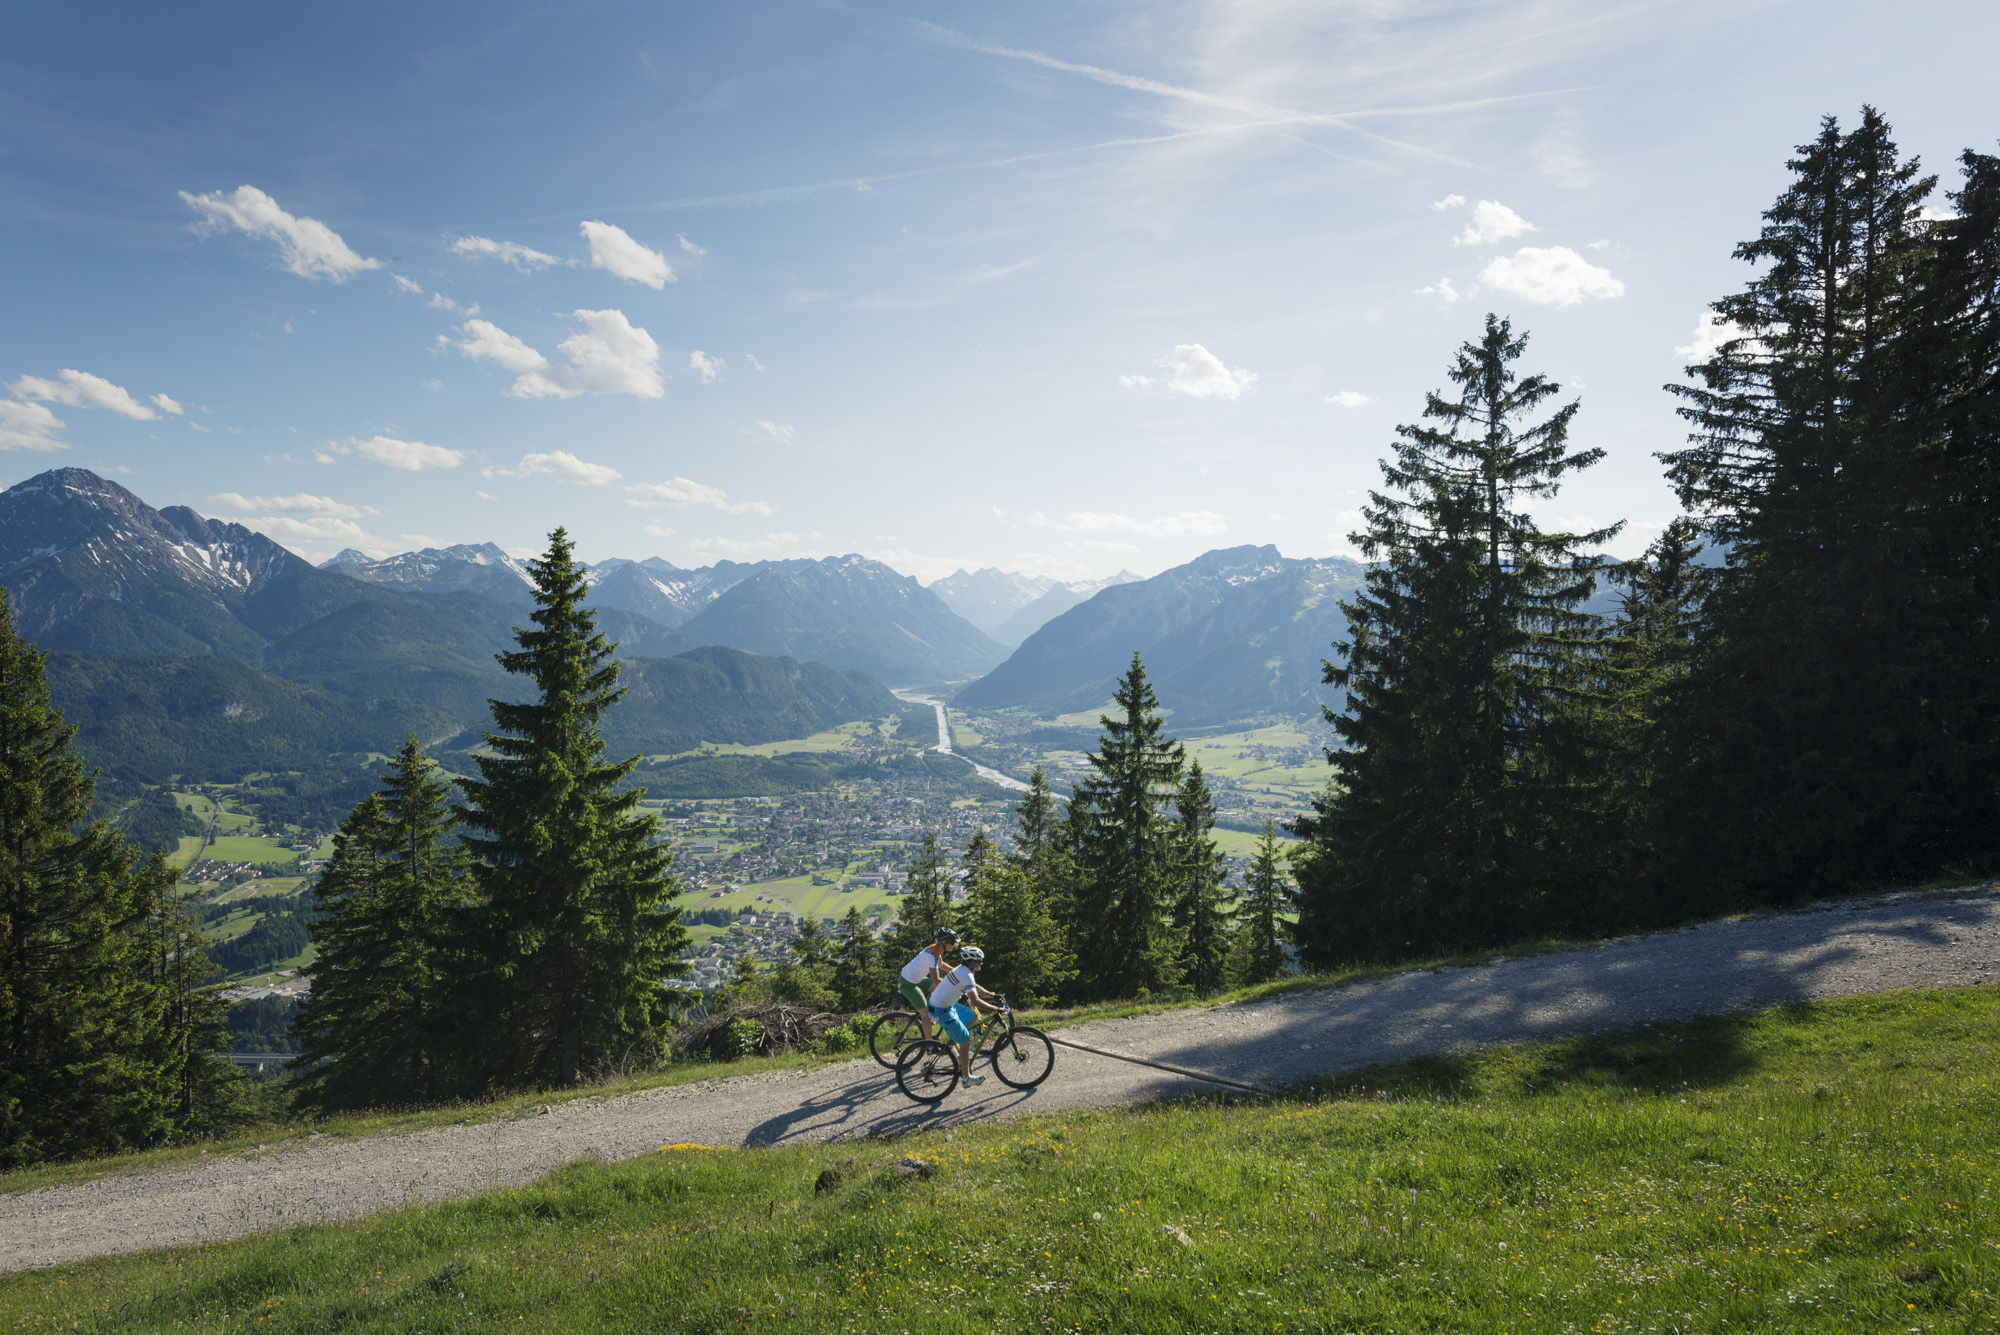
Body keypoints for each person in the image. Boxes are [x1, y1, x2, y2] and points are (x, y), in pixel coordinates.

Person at [927, 945, 1003, 1085]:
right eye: (979, 960)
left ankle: (954, 1041)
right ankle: (966, 1077)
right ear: (971, 961)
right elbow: (975, 1000)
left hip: (946, 1004)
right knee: (965, 1038)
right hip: (940, 1009)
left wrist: (989, 994)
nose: (981, 963)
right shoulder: (965, 973)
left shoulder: (964, 970)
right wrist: (995, 1008)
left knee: (973, 1016)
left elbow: (973, 985)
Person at [896, 926, 957, 1041]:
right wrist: (953, 984)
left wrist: (955, 971)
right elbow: (936, 979)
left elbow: (942, 965)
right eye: (952, 942)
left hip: (914, 979)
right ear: (944, 942)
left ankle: (928, 1013)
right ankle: (930, 1045)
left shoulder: (936, 948)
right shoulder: (932, 955)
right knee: (925, 1016)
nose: (954, 945)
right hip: (908, 984)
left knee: (935, 988)